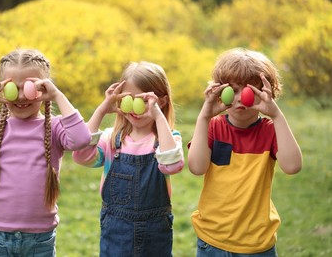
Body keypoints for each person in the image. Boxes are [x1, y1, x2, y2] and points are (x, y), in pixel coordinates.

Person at [0, 48, 91, 256]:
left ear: (44, 87)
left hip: (40, 240)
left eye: (29, 87)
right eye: (13, 87)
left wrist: (57, 96)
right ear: (2, 88)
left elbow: (82, 139)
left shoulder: (55, 129)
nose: (21, 96)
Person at [188, 48, 302, 256]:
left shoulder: (269, 130)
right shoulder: (213, 127)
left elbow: (293, 166)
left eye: (249, 90)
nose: (240, 98)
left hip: (256, 244)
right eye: (233, 89)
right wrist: (203, 117)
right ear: (220, 91)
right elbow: (196, 167)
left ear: (267, 93)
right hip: (212, 240)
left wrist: (276, 115)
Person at [73, 61, 184, 256]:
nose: (135, 107)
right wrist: (101, 110)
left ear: (162, 101)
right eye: (129, 99)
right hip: (115, 232)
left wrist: (158, 117)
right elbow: (81, 155)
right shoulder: (111, 139)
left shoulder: (168, 139)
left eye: (143, 100)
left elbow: (172, 165)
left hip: (155, 235)